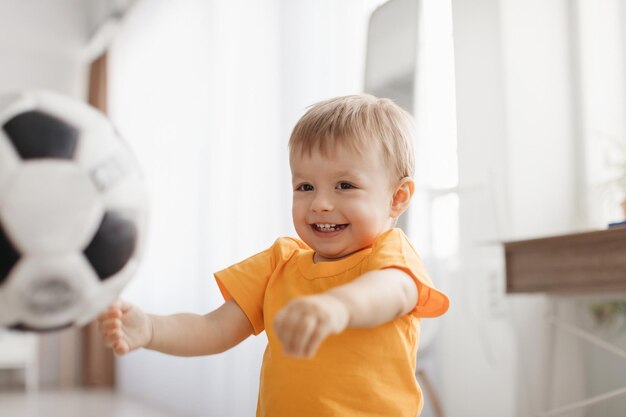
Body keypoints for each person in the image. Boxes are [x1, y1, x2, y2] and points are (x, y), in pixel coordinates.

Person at [98, 94, 449, 417]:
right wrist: (151, 328)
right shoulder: (279, 262)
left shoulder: (390, 256)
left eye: (345, 186)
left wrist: (338, 306)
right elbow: (213, 328)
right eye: (305, 187)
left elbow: (390, 292)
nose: (320, 203)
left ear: (398, 198)